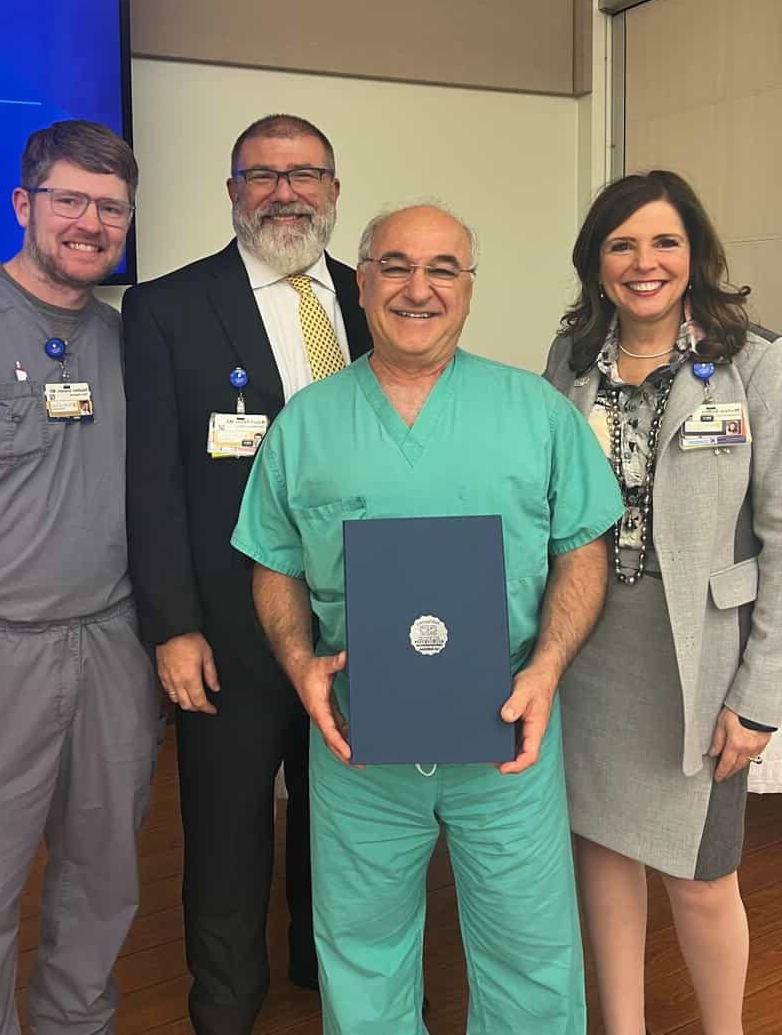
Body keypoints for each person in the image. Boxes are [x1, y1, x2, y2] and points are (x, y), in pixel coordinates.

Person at [231, 203, 624, 1034]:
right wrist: (300, 661)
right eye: (396, 266)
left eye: (443, 268)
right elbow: (274, 561)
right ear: (362, 281)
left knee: (531, 948)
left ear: (470, 289)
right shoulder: (306, 424)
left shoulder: (536, 413)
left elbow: (582, 548)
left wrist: (547, 666)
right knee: (361, 947)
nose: (419, 289)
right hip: (357, 735)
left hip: (507, 730)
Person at [0, 120, 159, 1035]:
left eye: (111, 208)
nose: (90, 222)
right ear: (25, 205)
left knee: (104, 880)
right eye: (71, 201)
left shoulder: (130, 342)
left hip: (109, 646)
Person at [543, 170, 782, 1035]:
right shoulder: (570, 359)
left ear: (694, 254)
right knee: (602, 853)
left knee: (703, 877)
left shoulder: (756, 363)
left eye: (664, 241)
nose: (643, 262)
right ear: (597, 263)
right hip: (590, 646)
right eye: (621, 244)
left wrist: (759, 698)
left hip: (700, 656)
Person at [122, 114, 372, 1034]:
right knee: (226, 831)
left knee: (344, 816)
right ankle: (225, 1005)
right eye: (262, 175)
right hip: (227, 625)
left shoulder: (371, 299)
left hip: (361, 615)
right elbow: (149, 483)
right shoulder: (167, 309)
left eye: (305, 174)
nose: (285, 192)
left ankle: (323, 966)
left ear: (335, 192)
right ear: (234, 193)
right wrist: (171, 625)